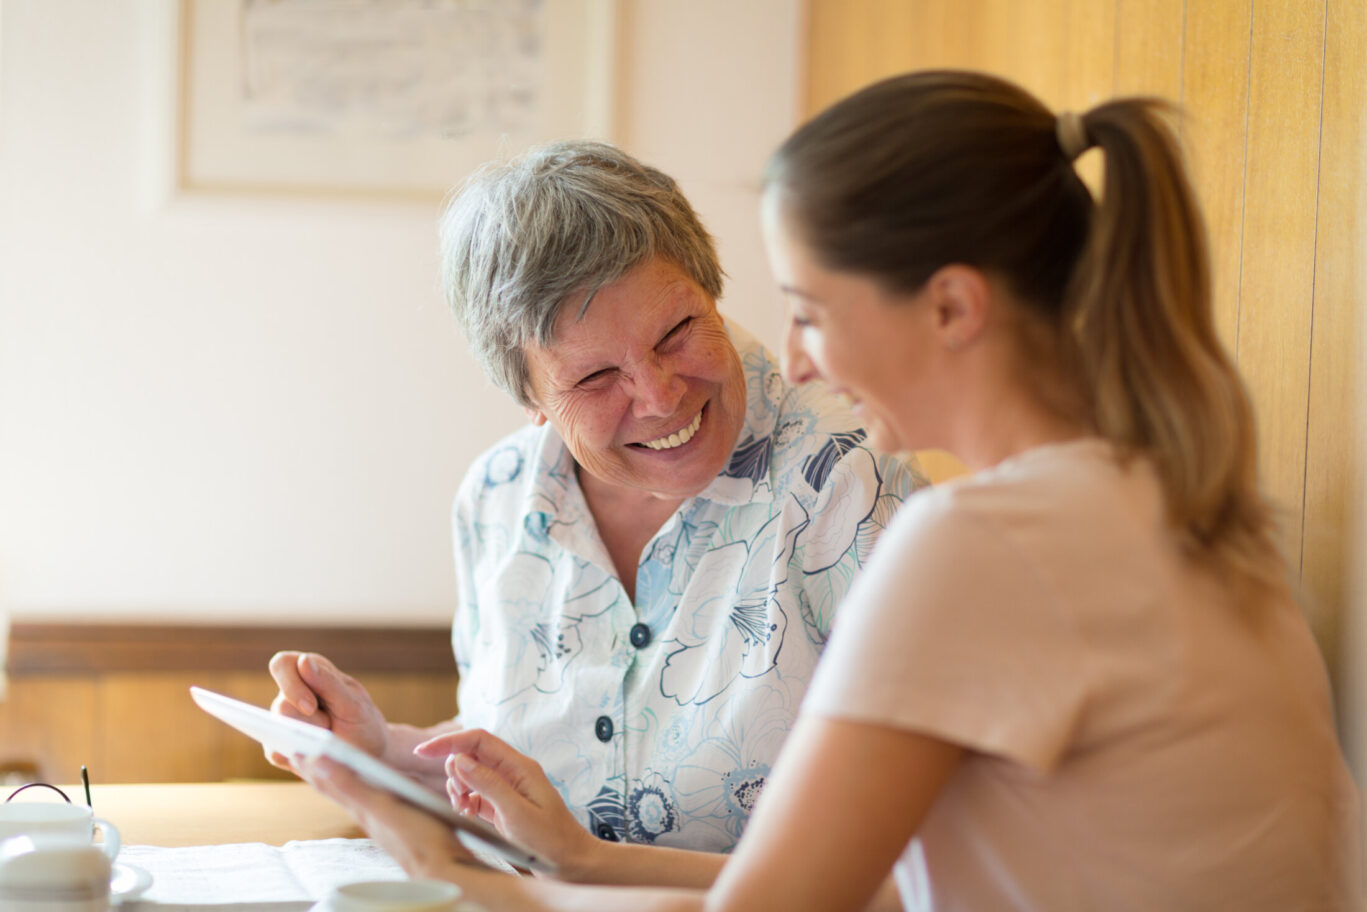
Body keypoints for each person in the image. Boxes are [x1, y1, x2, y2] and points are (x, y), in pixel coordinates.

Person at [295, 70, 1364, 910]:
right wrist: (559, 851)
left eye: (807, 308)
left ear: (949, 309)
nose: (794, 362)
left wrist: (423, 860)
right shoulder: (1165, 493)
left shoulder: (966, 539)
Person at [267, 140, 925, 877]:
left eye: (676, 333)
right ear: (529, 399)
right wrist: (381, 752)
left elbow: (922, 870)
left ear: (712, 289)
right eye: (594, 376)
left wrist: (590, 865)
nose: (659, 396)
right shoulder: (499, 497)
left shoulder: (852, 484)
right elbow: (526, 762)